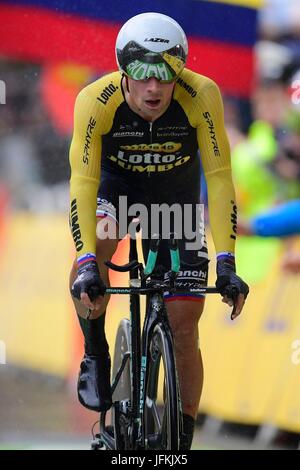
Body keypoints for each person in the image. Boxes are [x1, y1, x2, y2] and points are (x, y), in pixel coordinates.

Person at [69, 12, 249, 450]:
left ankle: (182, 439)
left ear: (179, 71)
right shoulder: (96, 100)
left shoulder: (202, 95)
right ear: (123, 73)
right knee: (101, 239)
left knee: (185, 324)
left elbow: (221, 177)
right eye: (142, 75)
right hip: (118, 191)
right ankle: (95, 352)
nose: (154, 87)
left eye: (166, 73)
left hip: (177, 202)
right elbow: (83, 184)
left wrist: (226, 261)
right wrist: (88, 262)